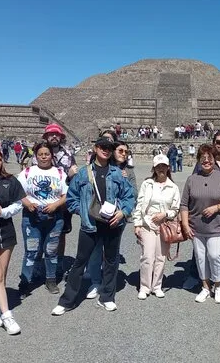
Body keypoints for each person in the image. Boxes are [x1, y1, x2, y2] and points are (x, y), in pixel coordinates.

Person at [51, 137, 135, 314]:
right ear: (96, 148)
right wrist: (82, 211)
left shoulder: (118, 173)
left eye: (109, 148)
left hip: (112, 223)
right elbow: (72, 197)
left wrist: (123, 212)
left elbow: (129, 197)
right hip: (90, 224)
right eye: (102, 147)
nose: (106, 150)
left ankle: (107, 297)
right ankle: (67, 301)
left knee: (111, 261)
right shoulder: (84, 173)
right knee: (80, 262)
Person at [183, 131, 220, 291]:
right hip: (202, 214)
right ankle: (195, 275)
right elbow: (193, 185)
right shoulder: (205, 160)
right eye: (218, 142)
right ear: (214, 142)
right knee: (199, 249)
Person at [17, 141, 69, 299]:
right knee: (31, 251)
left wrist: (55, 205)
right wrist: (27, 203)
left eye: (47, 154)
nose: (44, 157)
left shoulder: (59, 173)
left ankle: (50, 279)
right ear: (36, 156)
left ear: (51, 156)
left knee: (51, 250)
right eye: (40, 154)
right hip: (32, 216)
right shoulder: (27, 172)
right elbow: (17, 192)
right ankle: (25, 281)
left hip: (54, 216)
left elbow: (66, 194)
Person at [31, 123, 79, 281]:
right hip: (41, 200)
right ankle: (37, 266)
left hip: (62, 202)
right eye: (50, 134)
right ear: (46, 136)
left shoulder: (68, 154)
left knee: (60, 234)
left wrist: (71, 175)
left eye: (56, 134)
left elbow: (74, 178)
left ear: (60, 136)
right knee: (39, 233)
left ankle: (58, 264)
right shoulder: (39, 152)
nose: (53, 136)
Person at [132, 155, 181, 299]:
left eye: (163, 166)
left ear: (168, 168)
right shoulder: (147, 184)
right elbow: (139, 204)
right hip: (147, 224)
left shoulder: (173, 187)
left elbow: (175, 209)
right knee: (147, 256)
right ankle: (145, 286)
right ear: (154, 168)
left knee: (161, 257)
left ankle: (157, 285)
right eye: (158, 166)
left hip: (164, 225)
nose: (161, 169)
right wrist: (137, 224)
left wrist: (164, 214)